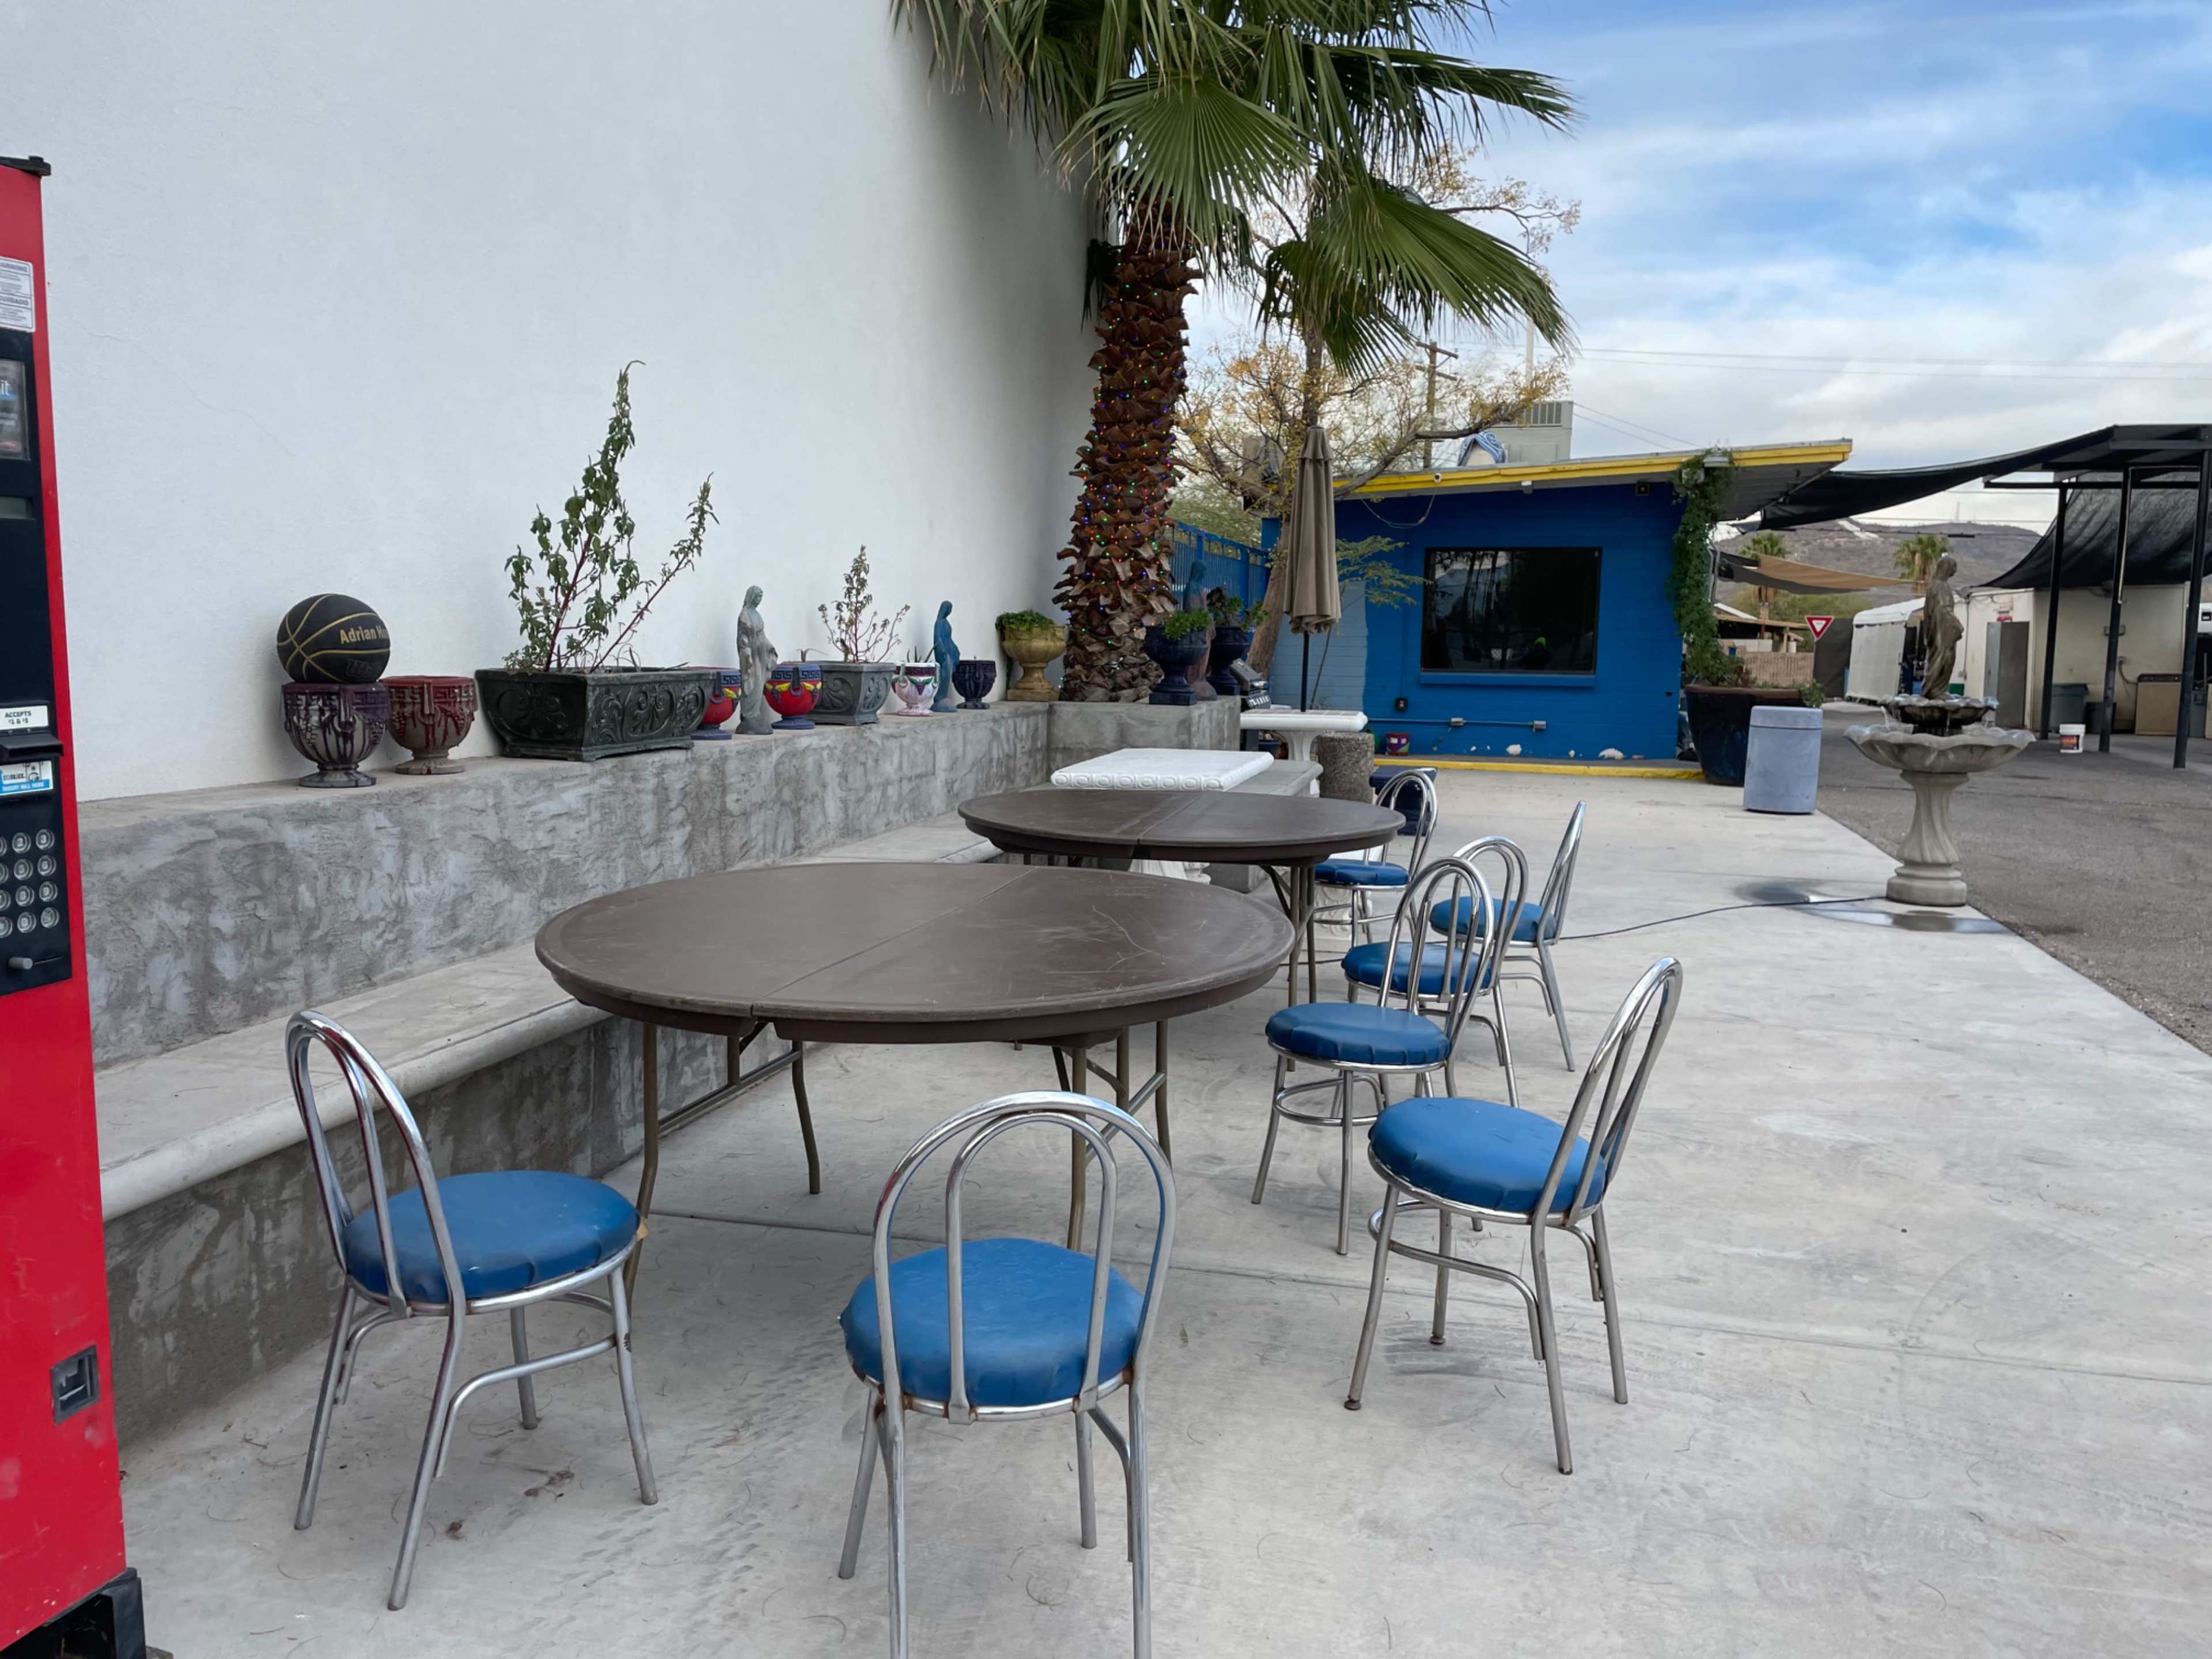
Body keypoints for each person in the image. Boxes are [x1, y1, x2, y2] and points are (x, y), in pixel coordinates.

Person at [735, 585, 778, 734]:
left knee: (759, 683)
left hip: (761, 652)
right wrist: (746, 651)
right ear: (751, 597)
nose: (759, 600)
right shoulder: (745, 614)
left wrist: (769, 646)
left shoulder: (757, 615)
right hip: (751, 655)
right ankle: (748, 715)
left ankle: (755, 714)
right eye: (758, 596)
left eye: (761, 597)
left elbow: (762, 634)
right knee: (751, 682)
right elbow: (743, 636)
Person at [1920, 555, 1963, 697]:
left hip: (1943, 630)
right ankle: (1934, 690)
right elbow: (1943, 609)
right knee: (1944, 658)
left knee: (1946, 659)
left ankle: (1938, 690)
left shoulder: (1940, 585)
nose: (1954, 571)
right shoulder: (1939, 586)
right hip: (1941, 631)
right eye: (1953, 568)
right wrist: (1956, 624)